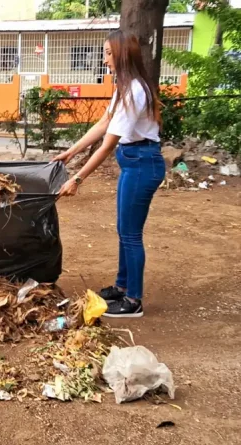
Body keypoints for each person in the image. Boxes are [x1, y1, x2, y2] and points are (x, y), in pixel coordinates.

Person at [53, 30, 165, 318]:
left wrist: (77, 179)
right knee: (123, 230)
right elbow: (104, 122)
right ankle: (122, 286)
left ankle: (134, 301)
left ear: (122, 55)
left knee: (131, 234)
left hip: (142, 163)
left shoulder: (136, 91)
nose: (105, 60)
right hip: (134, 163)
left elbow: (107, 145)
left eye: (107, 53)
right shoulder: (125, 87)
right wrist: (72, 152)